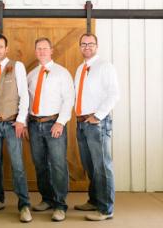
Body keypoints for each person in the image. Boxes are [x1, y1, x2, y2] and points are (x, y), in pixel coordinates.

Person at [0, 34, 32, 222]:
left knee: (18, 165)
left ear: (6, 49)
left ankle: (24, 205)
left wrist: (21, 120)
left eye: (1, 47)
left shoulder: (17, 66)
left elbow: (24, 95)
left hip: (12, 123)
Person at [26, 37, 74, 222]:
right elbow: (26, 101)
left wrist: (60, 122)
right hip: (34, 124)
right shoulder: (31, 75)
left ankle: (60, 205)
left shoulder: (62, 73)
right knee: (39, 164)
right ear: (35, 51)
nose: (42, 51)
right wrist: (25, 121)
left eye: (45, 48)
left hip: (53, 124)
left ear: (51, 50)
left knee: (58, 165)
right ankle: (47, 199)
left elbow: (69, 99)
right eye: (39, 48)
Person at [73, 33, 119, 221]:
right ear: (80, 47)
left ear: (97, 46)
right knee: (90, 165)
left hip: (97, 123)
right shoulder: (80, 69)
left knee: (102, 165)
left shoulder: (105, 66)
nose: (87, 47)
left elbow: (114, 94)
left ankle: (106, 209)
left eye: (90, 44)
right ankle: (94, 200)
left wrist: (97, 116)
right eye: (83, 44)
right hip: (82, 122)